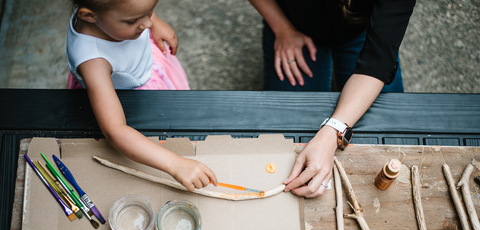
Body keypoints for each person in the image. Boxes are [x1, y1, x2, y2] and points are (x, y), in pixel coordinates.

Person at [248, 0, 416, 198]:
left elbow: (377, 62)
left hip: (363, 30)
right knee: (281, 141)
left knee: (394, 138)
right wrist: (282, 29)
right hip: (291, 23)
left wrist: (331, 133)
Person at [66, 0, 218, 191]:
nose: (146, 24)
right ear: (89, 16)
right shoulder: (93, 62)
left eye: (149, 12)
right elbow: (115, 130)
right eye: (134, 20)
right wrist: (175, 164)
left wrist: (156, 21)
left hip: (145, 68)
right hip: (129, 99)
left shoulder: (108, 15)